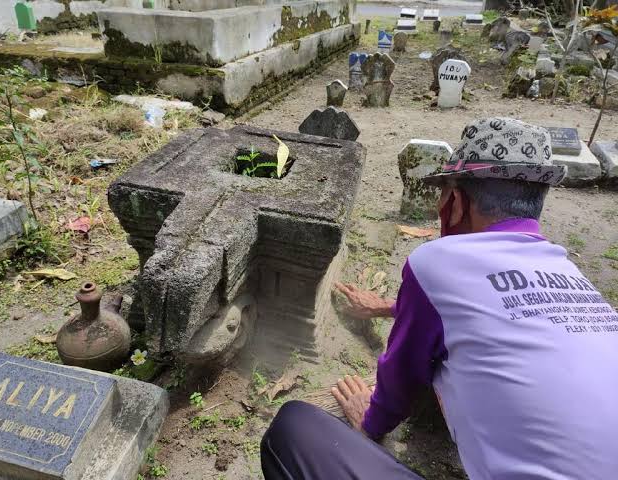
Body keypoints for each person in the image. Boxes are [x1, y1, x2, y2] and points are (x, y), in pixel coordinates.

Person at [259, 118, 618, 479]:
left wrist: (368, 422)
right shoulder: (570, 275)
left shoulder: (437, 262)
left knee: (292, 428)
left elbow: (398, 383)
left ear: (457, 201)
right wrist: (385, 307)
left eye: (443, 193)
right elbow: (494, 311)